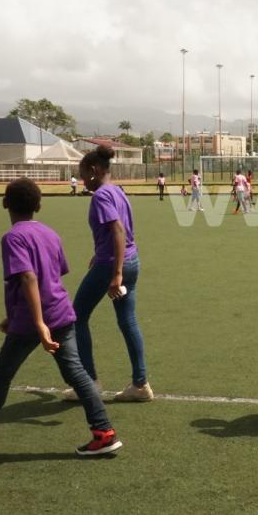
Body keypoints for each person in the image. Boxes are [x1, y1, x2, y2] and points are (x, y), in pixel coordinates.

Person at [0, 179, 122, 456]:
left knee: (2, 374)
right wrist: (12, 316)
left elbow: (28, 277)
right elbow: (55, 273)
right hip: (61, 312)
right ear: (39, 205)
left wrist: (37, 323)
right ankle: (104, 432)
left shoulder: (13, 237)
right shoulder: (51, 233)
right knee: (77, 373)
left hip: (33, 320)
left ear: (5, 203)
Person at [65, 145, 153, 403]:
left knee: (76, 317)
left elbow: (117, 231)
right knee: (128, 322)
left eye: (83, 175)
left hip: (113, 265)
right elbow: (122, 230)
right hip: (131, 261)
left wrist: (115, 274)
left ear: (94, 171)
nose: (83, 181)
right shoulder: (117, 191)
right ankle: (140, 384)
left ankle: (89, 382)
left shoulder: (101, 196)